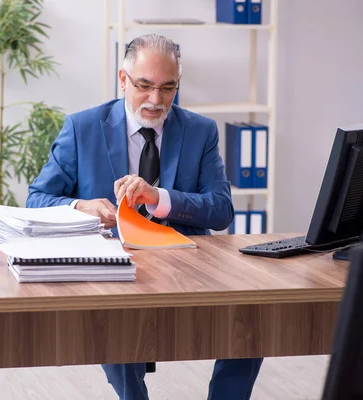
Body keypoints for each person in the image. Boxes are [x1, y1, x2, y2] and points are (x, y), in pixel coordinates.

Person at [25, 33, 263, 400]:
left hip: (188, 263)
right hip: (116, 265)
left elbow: (221, 210)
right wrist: (80, 205)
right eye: (144, 86)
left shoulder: (200, 131)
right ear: (123, 80)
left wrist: (160, 198)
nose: (156, 100)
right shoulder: (83, 127)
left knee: (252, 316)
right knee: (118, 317)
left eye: (168, 88)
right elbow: (36, 199)